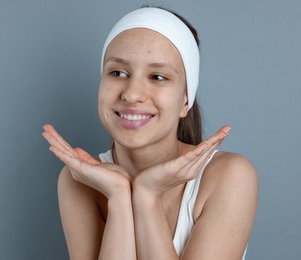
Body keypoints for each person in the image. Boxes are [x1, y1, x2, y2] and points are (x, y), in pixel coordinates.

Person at [42, 6, 258, 260]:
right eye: (118, 73)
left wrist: (146, 196)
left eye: (157, 76)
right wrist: (120, 196)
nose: (132, 94)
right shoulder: (77, 180)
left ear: (184, 101)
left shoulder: (229, 176)